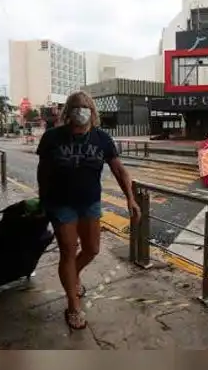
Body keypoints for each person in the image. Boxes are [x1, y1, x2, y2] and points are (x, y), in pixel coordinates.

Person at [36, 91, 140, 330]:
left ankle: (72, 276)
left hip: (90, 203)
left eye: (85, 107)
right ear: (68, 112)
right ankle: (73, 305)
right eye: (76, 106)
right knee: (68, 253)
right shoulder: (52, 137)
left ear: (93, 113)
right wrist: (42, 200)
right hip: (60, 204)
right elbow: (43, 171)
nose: (80, 110)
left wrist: (130, 199)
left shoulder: (102, 138)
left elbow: (120, 171)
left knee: (92, 249)